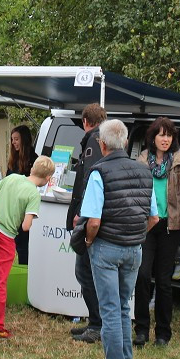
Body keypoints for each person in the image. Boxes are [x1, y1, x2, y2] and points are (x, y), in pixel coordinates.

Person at [80, 119, 159, 359]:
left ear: (102, 144)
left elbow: (92, 220)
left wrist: (89, 240)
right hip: (134, 248)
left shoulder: (98, 172)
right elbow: (154, 217)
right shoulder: (144, 171)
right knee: (124, 308)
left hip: (107, 246)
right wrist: (137, 236)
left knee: (111, 311)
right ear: (125, 142)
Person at [135, 116, 180, 347]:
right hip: (146, 225)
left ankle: (163, 333)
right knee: (142, 276)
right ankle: (141, 329)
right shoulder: (141, 161)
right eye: (161, 134)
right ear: (153, 137)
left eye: (169, 135)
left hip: (170, 227)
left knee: (163, 281)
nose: (165, 139)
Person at [0, 154, 51, 339]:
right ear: (48, 179)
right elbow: (26, 226)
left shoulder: (13, 177)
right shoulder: (34, 194)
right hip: (5, 236)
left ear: (32, 168)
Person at [69, 103, 107, 344]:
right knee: (89, 273)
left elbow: (88, 180)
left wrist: (80, 213)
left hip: (90, 217)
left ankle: (96, 324)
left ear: (85, 121)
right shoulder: (102, 139)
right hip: (98, 216)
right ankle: (95, 320)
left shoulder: (93, 141)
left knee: (85, 272)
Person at [7, 124, 35, 264]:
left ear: (24, 139)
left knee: (24, 245)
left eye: (16, 139)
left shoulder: (33, 160)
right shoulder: (13, 160)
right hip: (13, 208)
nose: (13, 143)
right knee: (17, 243)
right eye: (12, 139)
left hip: (26, 208)